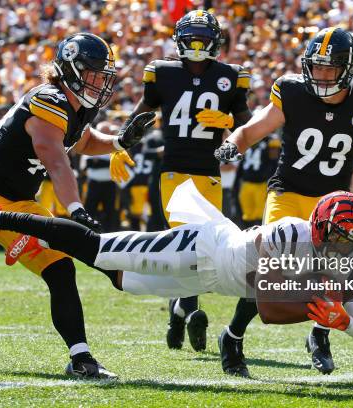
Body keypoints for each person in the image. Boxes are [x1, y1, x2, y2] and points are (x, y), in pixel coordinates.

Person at [0, 33, 155, 379]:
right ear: (72, 70)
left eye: (104, 75)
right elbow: (56, 159)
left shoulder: (76, 105)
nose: (101, 82)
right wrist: (74, 208)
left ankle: (81, 357)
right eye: (94, 74)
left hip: (20, 202)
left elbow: (82, 140)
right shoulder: (49, 99)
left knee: (60, 267)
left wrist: (118, 141)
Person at [0, 189, 353, 365]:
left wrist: (350, 324)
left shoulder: (346, 261)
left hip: (206, 281)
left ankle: (44, 243)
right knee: (101, 247)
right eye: (342, 236)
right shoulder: (289, 234)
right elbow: (267, 307)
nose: (347, 247)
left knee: (122, 279)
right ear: (321, 226)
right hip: (203, 249)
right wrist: (317, 311)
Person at [213, 27, 353, 376]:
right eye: (317, 67)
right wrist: (232, 145)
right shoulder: (293, 91)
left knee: (334, 275)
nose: (322, 75)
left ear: (348, 69)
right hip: (289, 193)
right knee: (268, 273)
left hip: (334, 205)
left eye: (330, 68)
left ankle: (320, 336)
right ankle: (233, 335)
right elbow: (253, 129)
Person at [125, 9, 252, 353]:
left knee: (204, 249)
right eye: (191, 39)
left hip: (209, 173)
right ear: (179, 41)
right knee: (192, 243)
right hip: (175, 171)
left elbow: (247, 125)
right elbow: (142, 114)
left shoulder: (231, 76)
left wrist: (228, 123)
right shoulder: (163, 72)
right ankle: (189, 307)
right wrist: (121, 144)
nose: (196, 46)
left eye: (203, 40)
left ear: (216, 43)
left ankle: (180, 309)